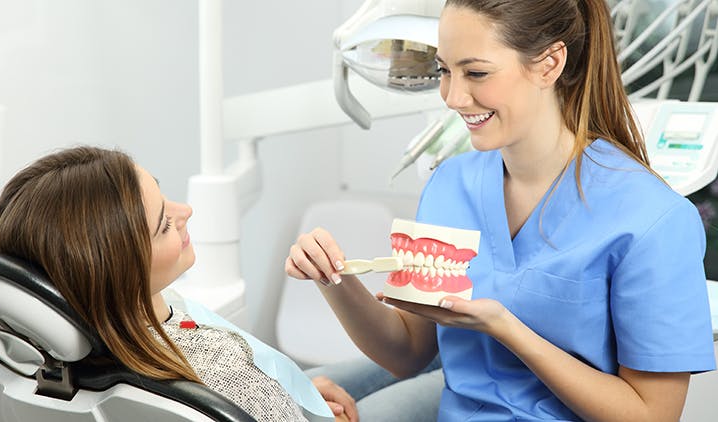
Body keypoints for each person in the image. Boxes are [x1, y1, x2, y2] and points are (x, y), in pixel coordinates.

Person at [286, 1, 716, 421]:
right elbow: (407, 353)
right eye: (444, 71)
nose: (453, 97)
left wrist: (506, 328)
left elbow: (652, 414)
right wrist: (334, 278)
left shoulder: (652, 219)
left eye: (476, 73)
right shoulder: (451, 185)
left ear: (550, 64)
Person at [0, 146, 358, 422]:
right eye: (164, 224)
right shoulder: (226, 378)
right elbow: (241, 388)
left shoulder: (59, 363)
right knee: (416, 378)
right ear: (121, 276)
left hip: (272, 393)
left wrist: (288, 391)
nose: (185, 212)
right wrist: (271, 400)